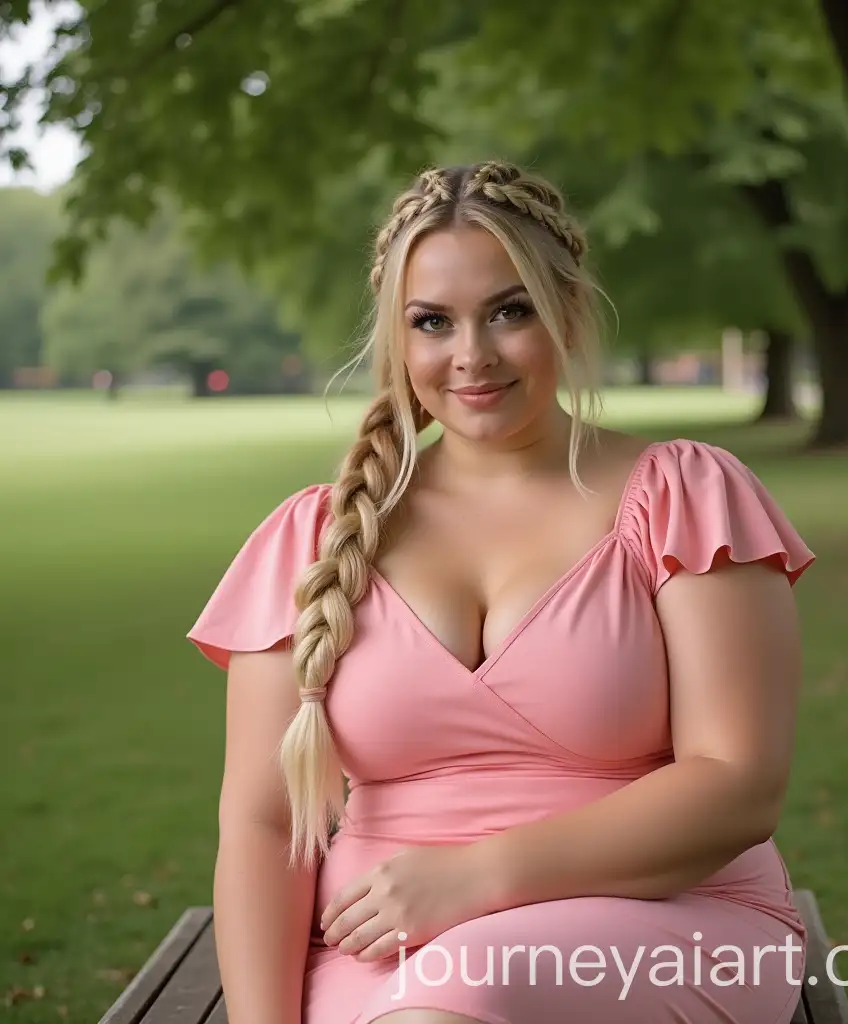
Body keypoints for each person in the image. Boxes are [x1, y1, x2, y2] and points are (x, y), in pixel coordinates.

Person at [187, 160, 816, 1024]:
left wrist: (472, 880)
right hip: (375, 950)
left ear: (568, 311)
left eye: (509, 310)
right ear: (398, 340)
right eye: (432, 322)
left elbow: (739, 784)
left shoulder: (681, 495)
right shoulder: (316, 539)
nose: (471, 355)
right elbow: (264, 828)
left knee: (465, 993)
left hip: (669, 921)